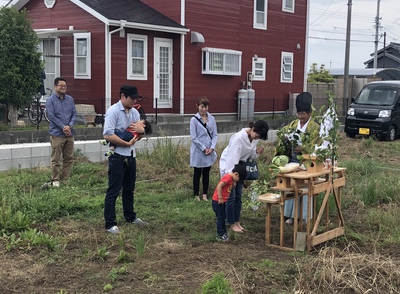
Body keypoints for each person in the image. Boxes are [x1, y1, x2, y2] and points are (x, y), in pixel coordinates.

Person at [103, 85, 147, 234]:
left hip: (131, 155)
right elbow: (108, 135)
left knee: (129, 188)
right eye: (132, 98)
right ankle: (110, 223)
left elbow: (137, 133)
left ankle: (130, 216)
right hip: (117, 157)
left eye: (136, 98)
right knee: (114, 190)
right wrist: (126, 143)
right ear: (123, 96)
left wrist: (142, 132)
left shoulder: (134, 112)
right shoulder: (113, 112)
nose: (134, 101)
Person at [275, 92, 322, 224]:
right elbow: (283, 136)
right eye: (299, 113)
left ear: (309, 113)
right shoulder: (293, 125)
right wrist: (284, 140)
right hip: (292, 160)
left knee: (305, 187)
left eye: (303, 114)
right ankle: (290, 215)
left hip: (306, 162)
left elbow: (316, 147)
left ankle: (304, 216)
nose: (300, 116)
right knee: (291, 186)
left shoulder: (315, 128)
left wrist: (303, 149)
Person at [219, 120, 269, 233]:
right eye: (257, 135)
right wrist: (232, 178)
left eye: (259, 137)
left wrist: (257, 153)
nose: (257, 138)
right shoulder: (239, 138)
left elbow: (250, 154)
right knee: (231, 196)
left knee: (238, 196)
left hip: (241, 166)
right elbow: (232, 158)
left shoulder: (253, 139)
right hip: (230, 167)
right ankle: (231, 222)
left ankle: (237, 221)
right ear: (252, 129)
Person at [42, 77, 76, 188]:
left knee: (69, 158)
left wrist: (69, 126)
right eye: (61, 86)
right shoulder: (50, 100)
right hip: (57, 134)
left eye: (65, 86)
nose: (63, 88)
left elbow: (74, 114)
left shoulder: (70, 99)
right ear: (55, 86)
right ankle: (55, 180)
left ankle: (65, 179)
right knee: (56, 159)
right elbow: (51, 116)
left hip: (69, 134)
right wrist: (63, 127)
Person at [189, 96, 218, 202]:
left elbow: (215, 135)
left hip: (209, 150)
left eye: (205, 107)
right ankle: (196, 194)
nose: (204, 109)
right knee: (197, 172)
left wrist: (212, 147)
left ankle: (205, 194)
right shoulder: (194, 120)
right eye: (202, 107)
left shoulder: (212, 119)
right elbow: (194, 137)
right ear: (197, 106)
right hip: (198, 150)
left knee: (206, 172)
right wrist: (203, 148)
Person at [212, 164, 247, 242]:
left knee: (223, 217)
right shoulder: (227, 178)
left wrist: (233, 183)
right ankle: (220, 235)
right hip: (218, 201)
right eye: (238, 179)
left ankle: (223, 233)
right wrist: (220, 198)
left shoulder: (231, 179)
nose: (238, 181)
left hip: (223, 201)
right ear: (236, 174)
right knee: (221, 218)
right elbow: (219, 186)